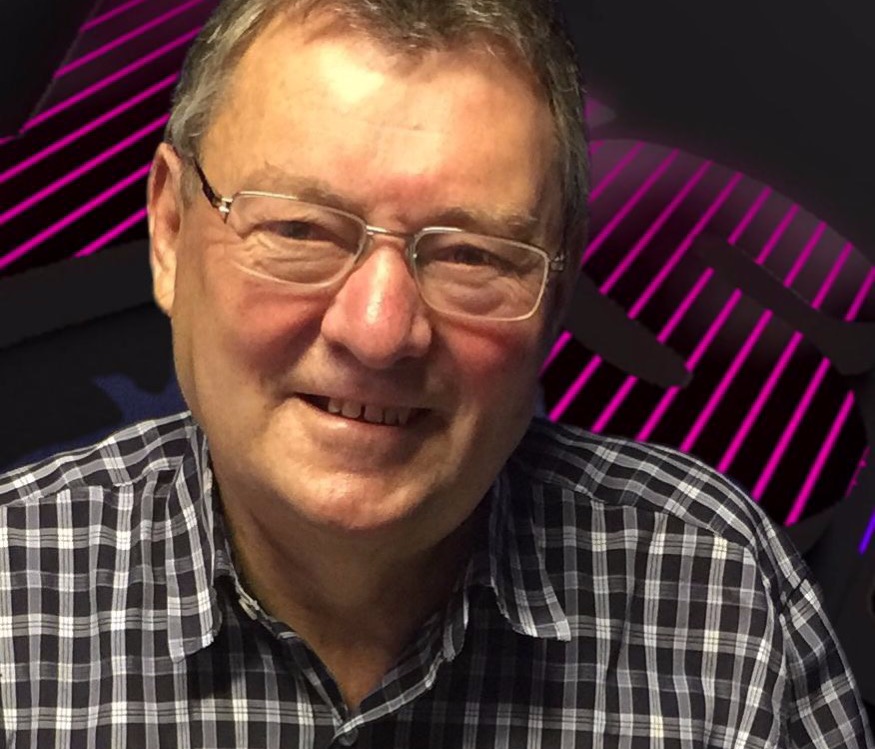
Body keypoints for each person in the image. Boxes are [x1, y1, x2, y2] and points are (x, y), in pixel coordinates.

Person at [0, 0, 871, 745]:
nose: (379, 331)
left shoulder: (714, 588)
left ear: (557, 288)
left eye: (471, 254)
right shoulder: (14, 587)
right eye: (300, 229)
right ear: (169, 231)